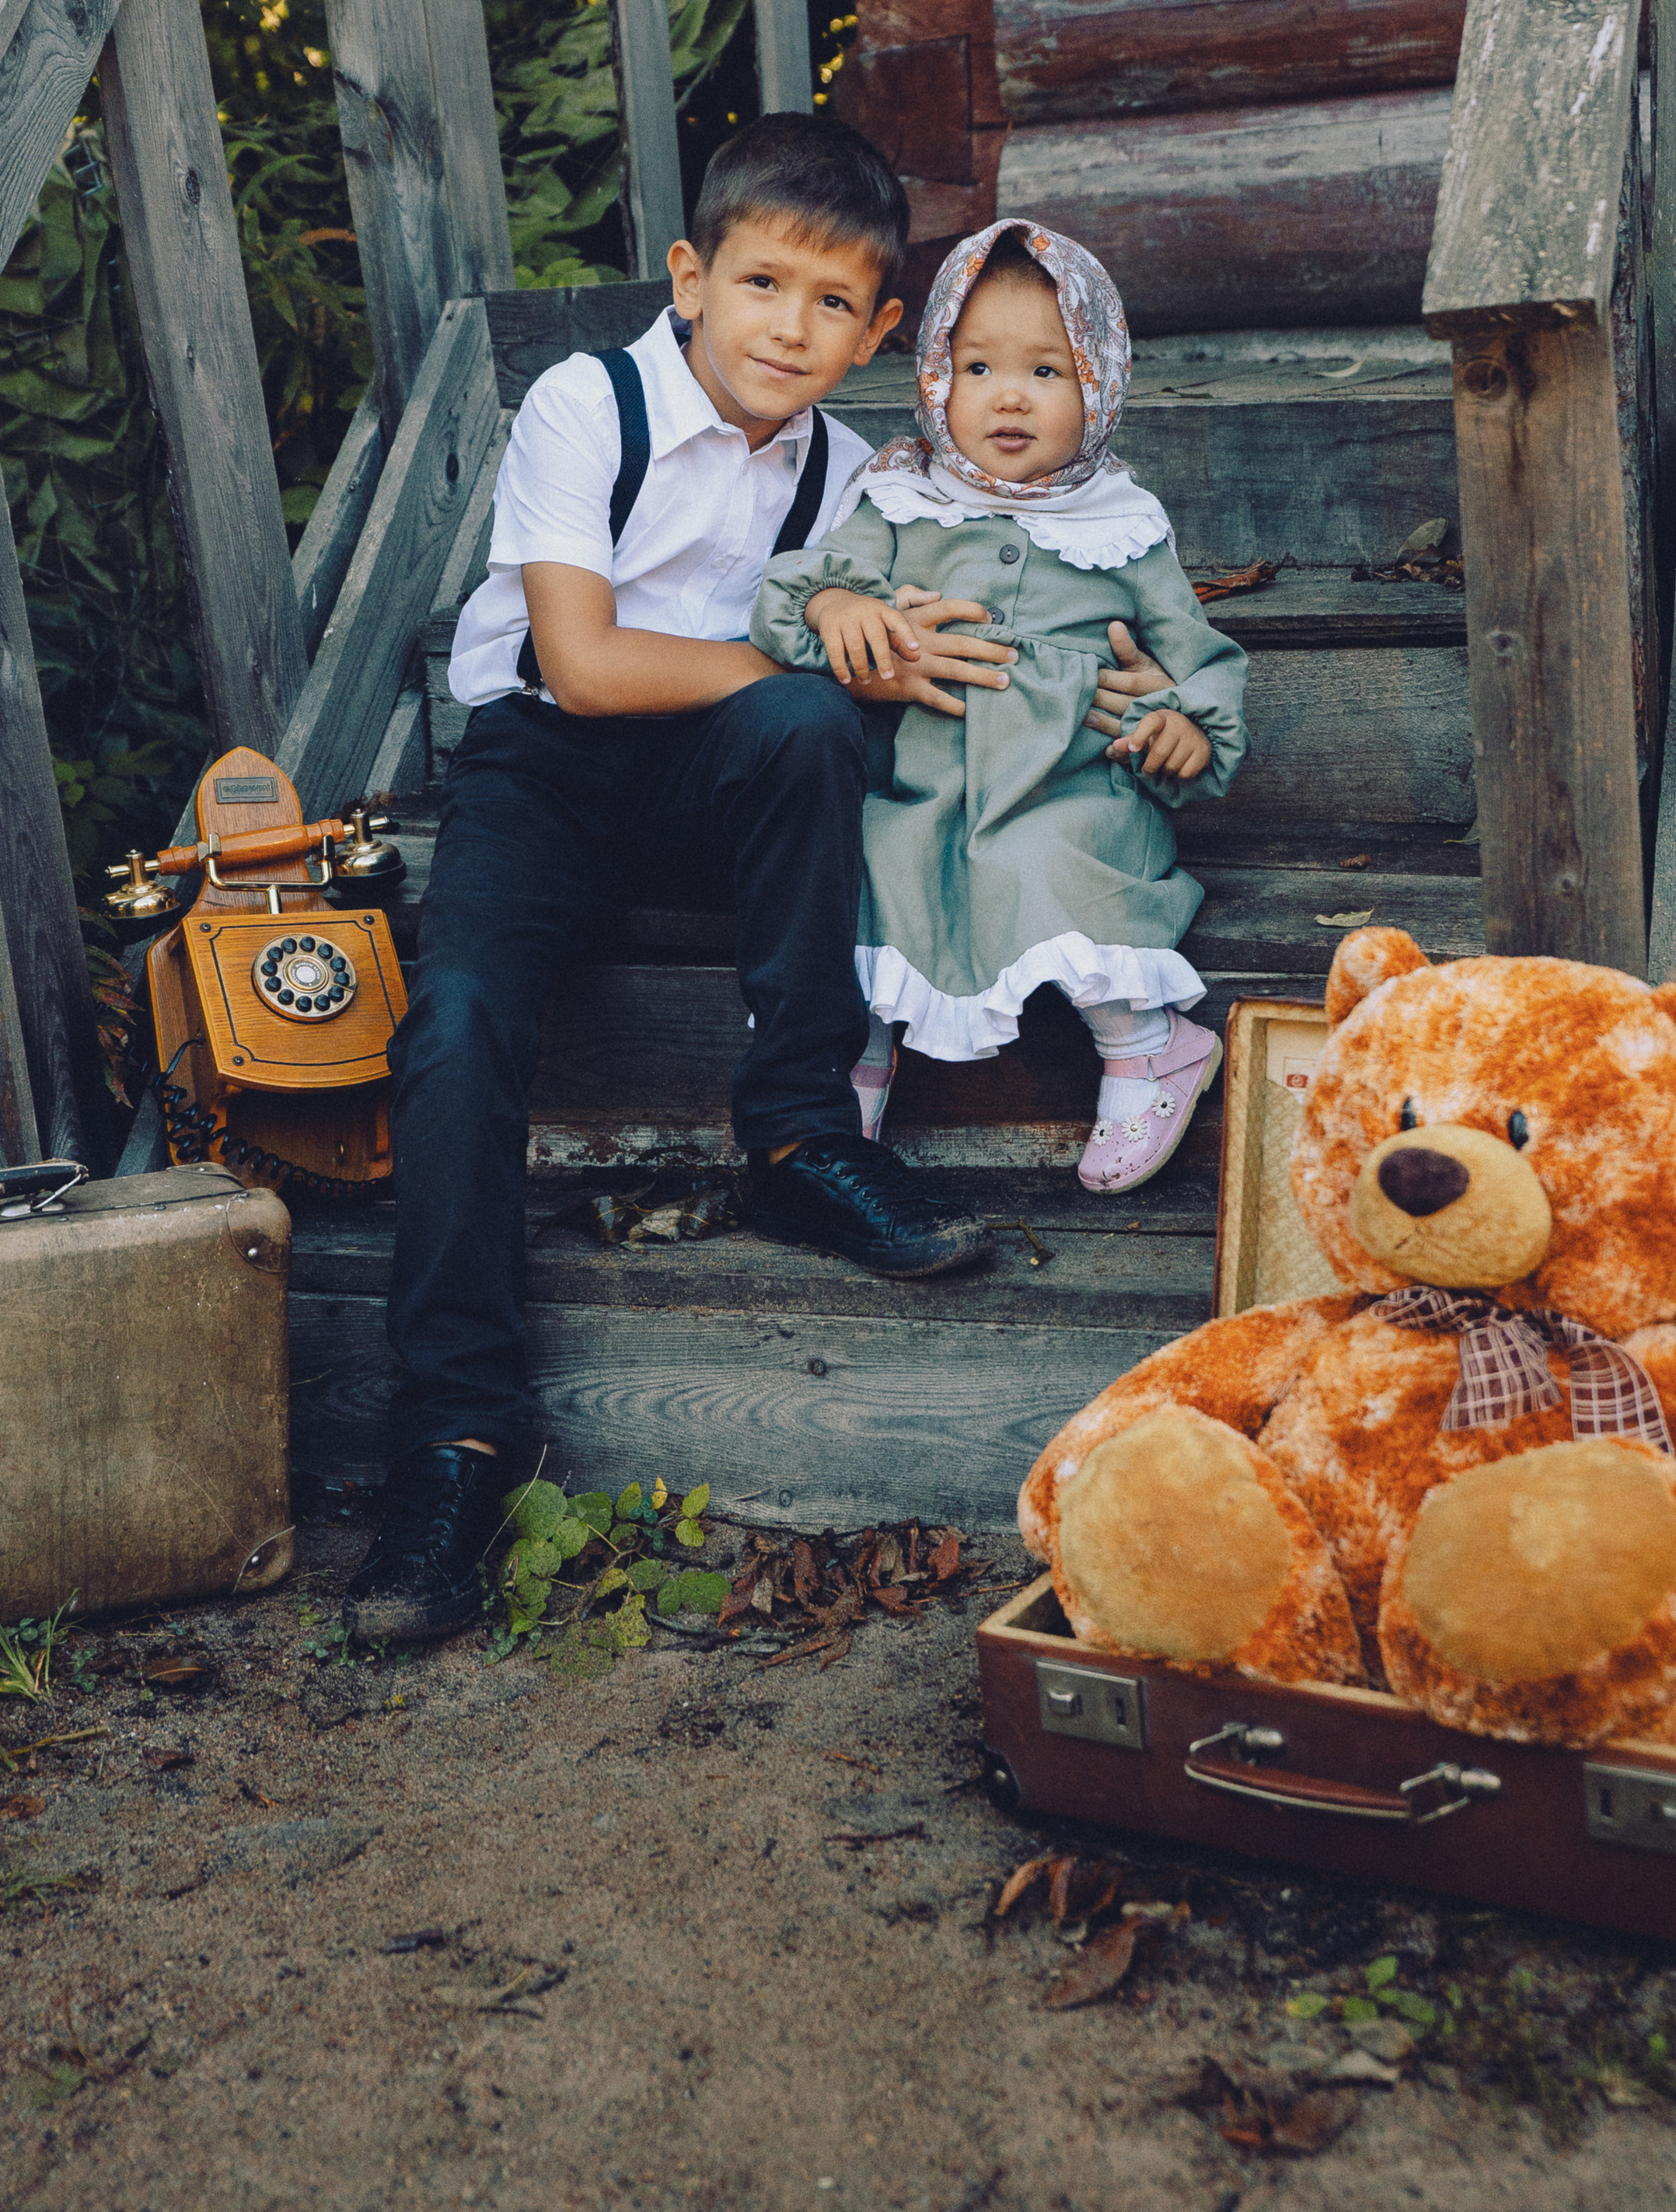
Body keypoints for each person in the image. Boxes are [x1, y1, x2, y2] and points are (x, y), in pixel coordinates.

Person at [345, 125, 1174, 1645]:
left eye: (830, 303)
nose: (788, 326)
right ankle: (457, 1433)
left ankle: (795, 1139)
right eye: (759, 283)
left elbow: (943, 621)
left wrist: (931, 648)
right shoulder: (581, 404)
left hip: (708, 785)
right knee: (456, 1025)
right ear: (690, 278)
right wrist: (809, 646)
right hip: (538, 767)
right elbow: (582, 667)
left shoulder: (857, 475)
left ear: (874, 338)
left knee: (809, 719)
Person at [750, 217, 1247, 1195]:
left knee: (1045, 868)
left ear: (1099, 383)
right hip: (919, 781)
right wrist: (841, 605)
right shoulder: (899, 501)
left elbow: (1198, 656)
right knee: (865, 870)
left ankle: (1148, 1045)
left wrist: (1187, 725)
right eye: (976, 368)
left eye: (1049, 372)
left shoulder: (1122, 529)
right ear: (936, 375)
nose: (1008, 395)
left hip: (1070, 788)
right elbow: (798, 593)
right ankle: (847, 1059)